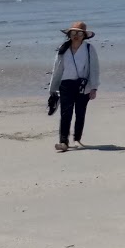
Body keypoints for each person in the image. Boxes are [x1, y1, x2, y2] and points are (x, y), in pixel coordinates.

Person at [47, 22, 99, 152]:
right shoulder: (63, 49)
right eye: (74, 33)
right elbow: (57, 69)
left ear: (84, 35)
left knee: (80, 113)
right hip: (66, 85)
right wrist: (53, 89)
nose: (76, 35)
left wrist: (94, 88)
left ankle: (77, 139)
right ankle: (63, 142)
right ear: (69, 34)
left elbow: (94, 69)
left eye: (80, 33)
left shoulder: (89, 48)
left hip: (83, 85)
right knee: (65, 114)